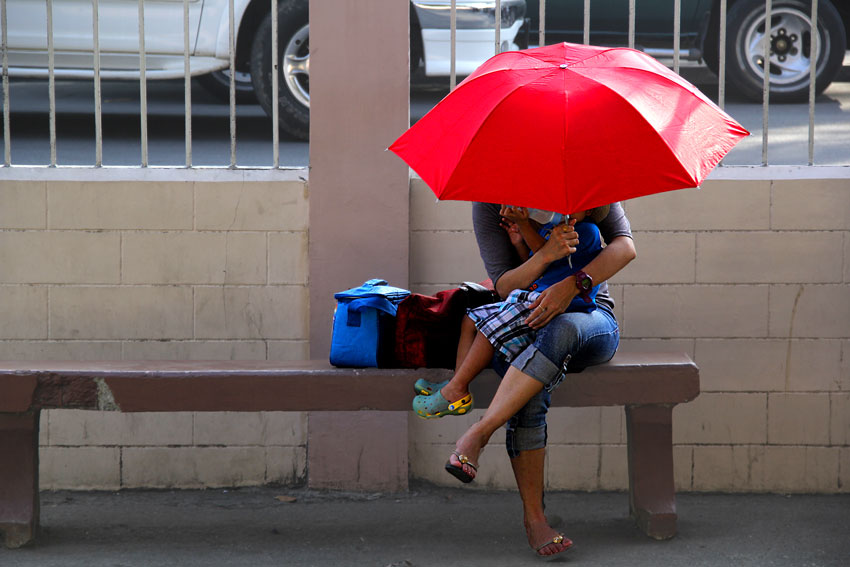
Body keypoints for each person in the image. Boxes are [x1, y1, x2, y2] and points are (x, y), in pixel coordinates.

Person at [445, 201, 635, 559]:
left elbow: (625, 246)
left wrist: (573, 285)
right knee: (530, 363)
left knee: (559, 329)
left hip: (591, 317)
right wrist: (544, 254)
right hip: (527, 315)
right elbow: (503, 286)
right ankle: (535, 520)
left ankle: (479, 433)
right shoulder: (490, 200)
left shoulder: (582, 175)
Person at [412, 205, 607, 419]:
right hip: (533, 296)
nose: (566, 211)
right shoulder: (554, 229)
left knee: (489, 328)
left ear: (589, 212)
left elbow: (555, 256)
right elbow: (541, 259)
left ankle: (455, 391)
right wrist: (519, 239)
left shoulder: (587, 232)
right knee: (470, 319)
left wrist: (526, 226)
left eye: (575, 209)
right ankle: (457, 381)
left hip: (562, 304)